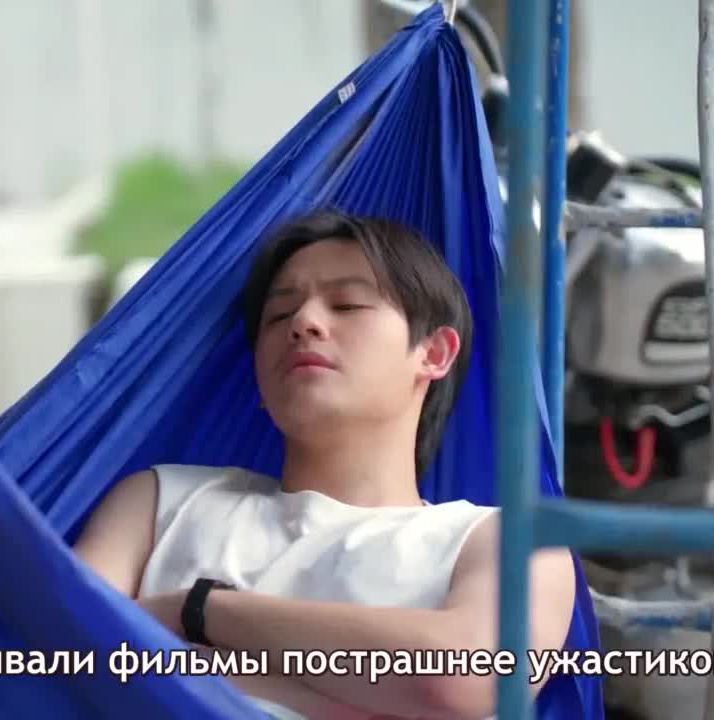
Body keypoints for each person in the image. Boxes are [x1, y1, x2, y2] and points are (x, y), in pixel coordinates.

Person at [74, 209, 576, 720]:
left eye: (347, 304)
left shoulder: (505, 541)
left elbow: (467, 675)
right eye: (278, 315)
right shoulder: (159, 501)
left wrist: (197, 610)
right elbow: (63, 657)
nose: (303, 323)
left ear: (435, 352)